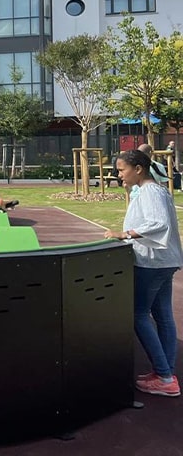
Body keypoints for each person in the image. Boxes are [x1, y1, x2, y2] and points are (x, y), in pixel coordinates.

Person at [104, 149, 183, 397]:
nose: (119, 175)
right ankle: (165, 373)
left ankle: (164, 375)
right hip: (162, 261)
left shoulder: (150, 191)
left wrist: (124, 234)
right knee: (163, 316)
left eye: (121, 170)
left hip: (152, 262)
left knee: (138, 314)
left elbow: (158, 223)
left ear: (138, 169)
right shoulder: (155, 190)